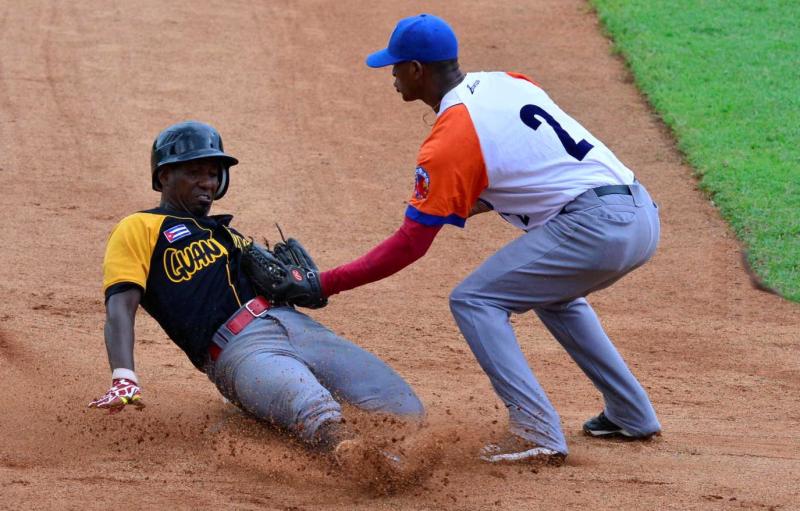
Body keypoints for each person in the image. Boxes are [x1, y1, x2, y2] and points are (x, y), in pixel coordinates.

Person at [317, 14, 662, 464]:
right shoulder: (508, 81)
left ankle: (536, 431)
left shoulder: (452, 137)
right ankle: (630, 413)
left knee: (475, 300)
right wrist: (452, 202)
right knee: (554, 294)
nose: (392, 76)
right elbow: (523, 163)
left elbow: (410, 245)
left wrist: (327, 283)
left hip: (596, 226)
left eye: (396, 67)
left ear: (418, 70)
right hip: (640, 214)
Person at [89, 120, 425, 464]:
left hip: (298, 327)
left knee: (403, 408)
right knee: (314, 408)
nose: (207, 182)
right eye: (195, 172)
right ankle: (363, 463)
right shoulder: (139, 227)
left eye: (213, 173)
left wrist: (305, 287)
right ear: (164, 177)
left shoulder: (232, 236)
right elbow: (120, 306)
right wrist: (123, 375)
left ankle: (259, 414)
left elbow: (288, 284)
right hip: (238, 349)